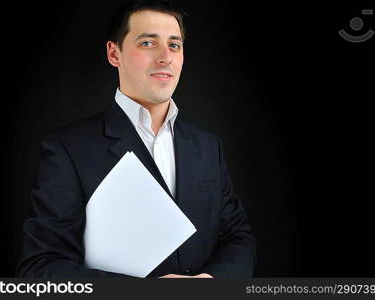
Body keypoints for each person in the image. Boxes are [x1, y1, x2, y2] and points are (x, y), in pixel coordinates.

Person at [16, 0, 256, 278]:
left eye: (174, 45)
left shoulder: (207, 146)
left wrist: (212, 282)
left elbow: (238, 238)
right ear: (114, 53)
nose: (165, 57)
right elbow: (41, 267)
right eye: (147, 43)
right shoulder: (67, 149)